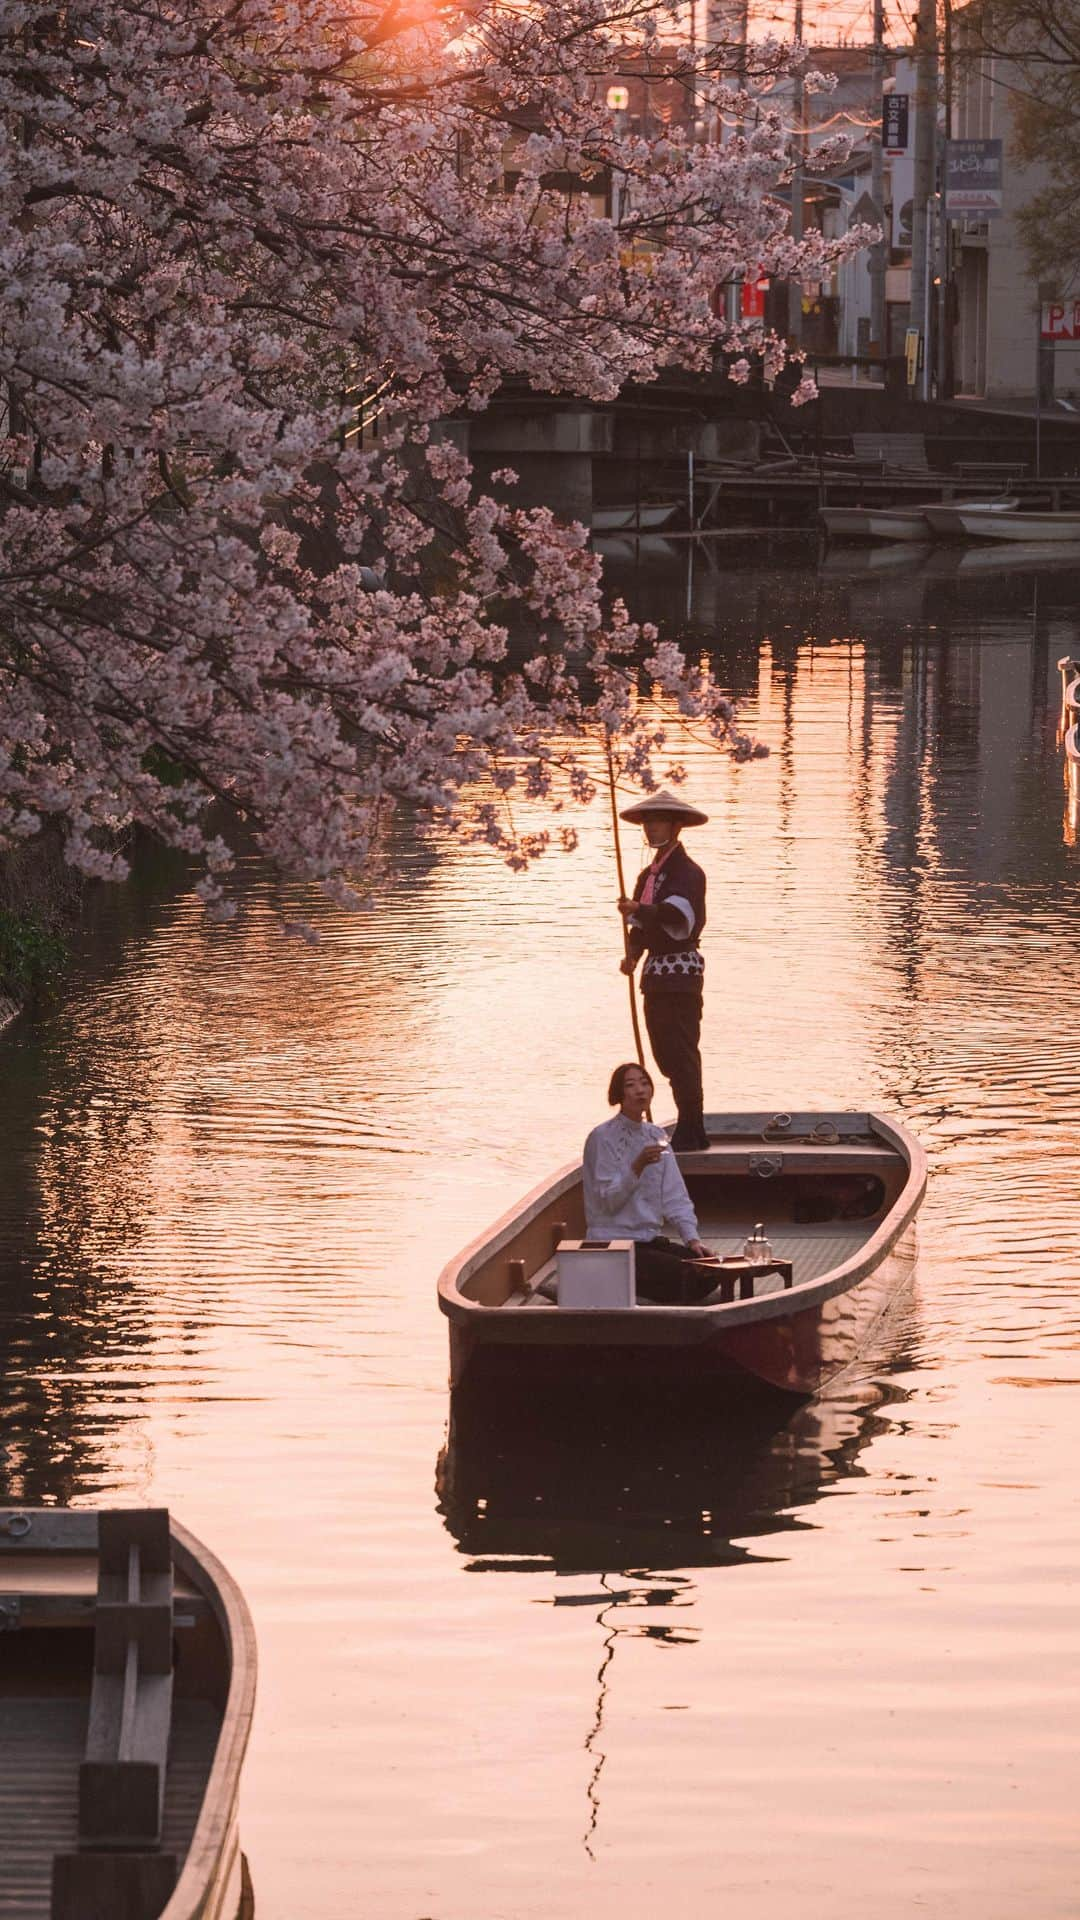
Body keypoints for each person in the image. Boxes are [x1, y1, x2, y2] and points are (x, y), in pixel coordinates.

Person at [617, 787, 709, 1152]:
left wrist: (639, 908)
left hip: (681, 973)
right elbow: (642, 926)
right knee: (663, 1050)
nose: (651, 829)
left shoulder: (688, 872)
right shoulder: (648, 876)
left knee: (681, 1048)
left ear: (675, 826)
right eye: (648, 822)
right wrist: (632, 955)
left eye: (657, 822)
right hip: (655, 973)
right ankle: (686, 1123)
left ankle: (692, 1127)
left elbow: (675, 915)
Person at [582, 1062, 719, 1305]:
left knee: (710, 1269)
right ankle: (625, 1291)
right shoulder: (601, 1137)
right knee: (684, 1275)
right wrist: (637, 1166)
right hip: (612, 1243)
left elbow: (675, 1197)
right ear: (618, 1094)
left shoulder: (656, 1135)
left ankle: (642, 1293)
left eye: (645, 1084)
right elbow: (607, 1201)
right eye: (631, 1085)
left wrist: (693, 1240)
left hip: (648, 1240)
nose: (640, 1090)